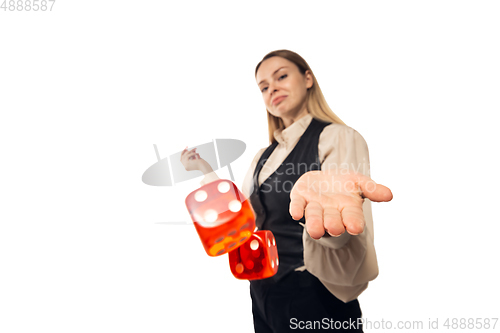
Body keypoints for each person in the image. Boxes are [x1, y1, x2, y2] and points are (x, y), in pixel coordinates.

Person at [181, 49, 393, 332]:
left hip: (315, 294)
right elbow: (242, 219)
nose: (273, 90)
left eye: (281, 76)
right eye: (264, 87)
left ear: (307, 78)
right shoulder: (262, 157)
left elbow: (340, 233)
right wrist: (204, 170)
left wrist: (332, 223)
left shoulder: (336, 136)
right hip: (264, 293)